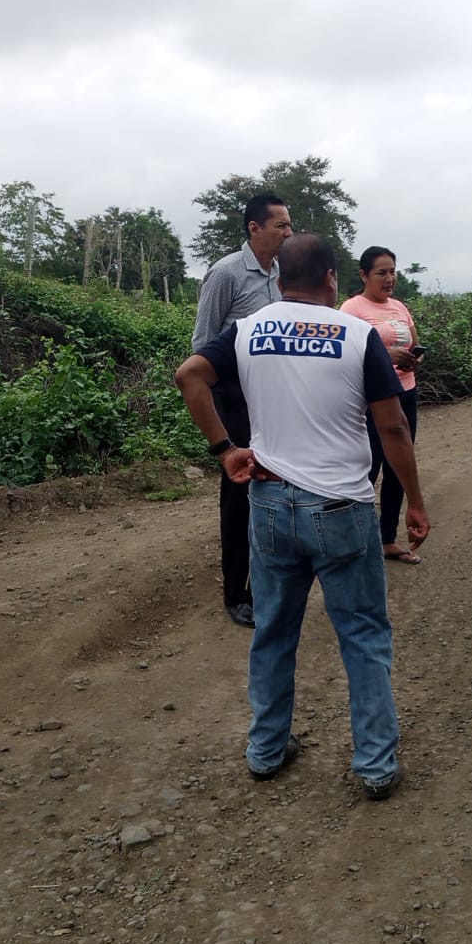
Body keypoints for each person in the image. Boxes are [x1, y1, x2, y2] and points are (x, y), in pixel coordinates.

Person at [175, 233, 429, 800]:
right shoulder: (357, 336)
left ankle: (266, 750)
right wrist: (414, 500)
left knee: (273, 631)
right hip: (341, 507)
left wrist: (225, 450)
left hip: (269, 504)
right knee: (362, 635)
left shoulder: (247, 330)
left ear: (279, 277)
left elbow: (189, 375)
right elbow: (392, 426)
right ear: (332, 279)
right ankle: (375, 766)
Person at [190, 194, 294, 628]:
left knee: (277, 483)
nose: (288, 232)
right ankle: (237, 593)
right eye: (281, 225)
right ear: (255, 228)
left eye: (289, 225)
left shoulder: (282, 273)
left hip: (276, 394)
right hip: (235, 396)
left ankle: (269, 579)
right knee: (239, 492)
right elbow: (202, 344)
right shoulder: (226, 273)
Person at [341, 246, 426, 564]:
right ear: (364, 275)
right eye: (381, 272)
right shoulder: (351, 309)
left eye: (392, 271)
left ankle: (387, 539)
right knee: (368, 467)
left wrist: (414, 358)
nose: (389, 278)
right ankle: (357, 542)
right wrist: (385, 356)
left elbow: (413, 341)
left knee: (397, 469)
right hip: (371, 399)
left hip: (406, 392)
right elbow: (345, 353)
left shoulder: (399, 307)